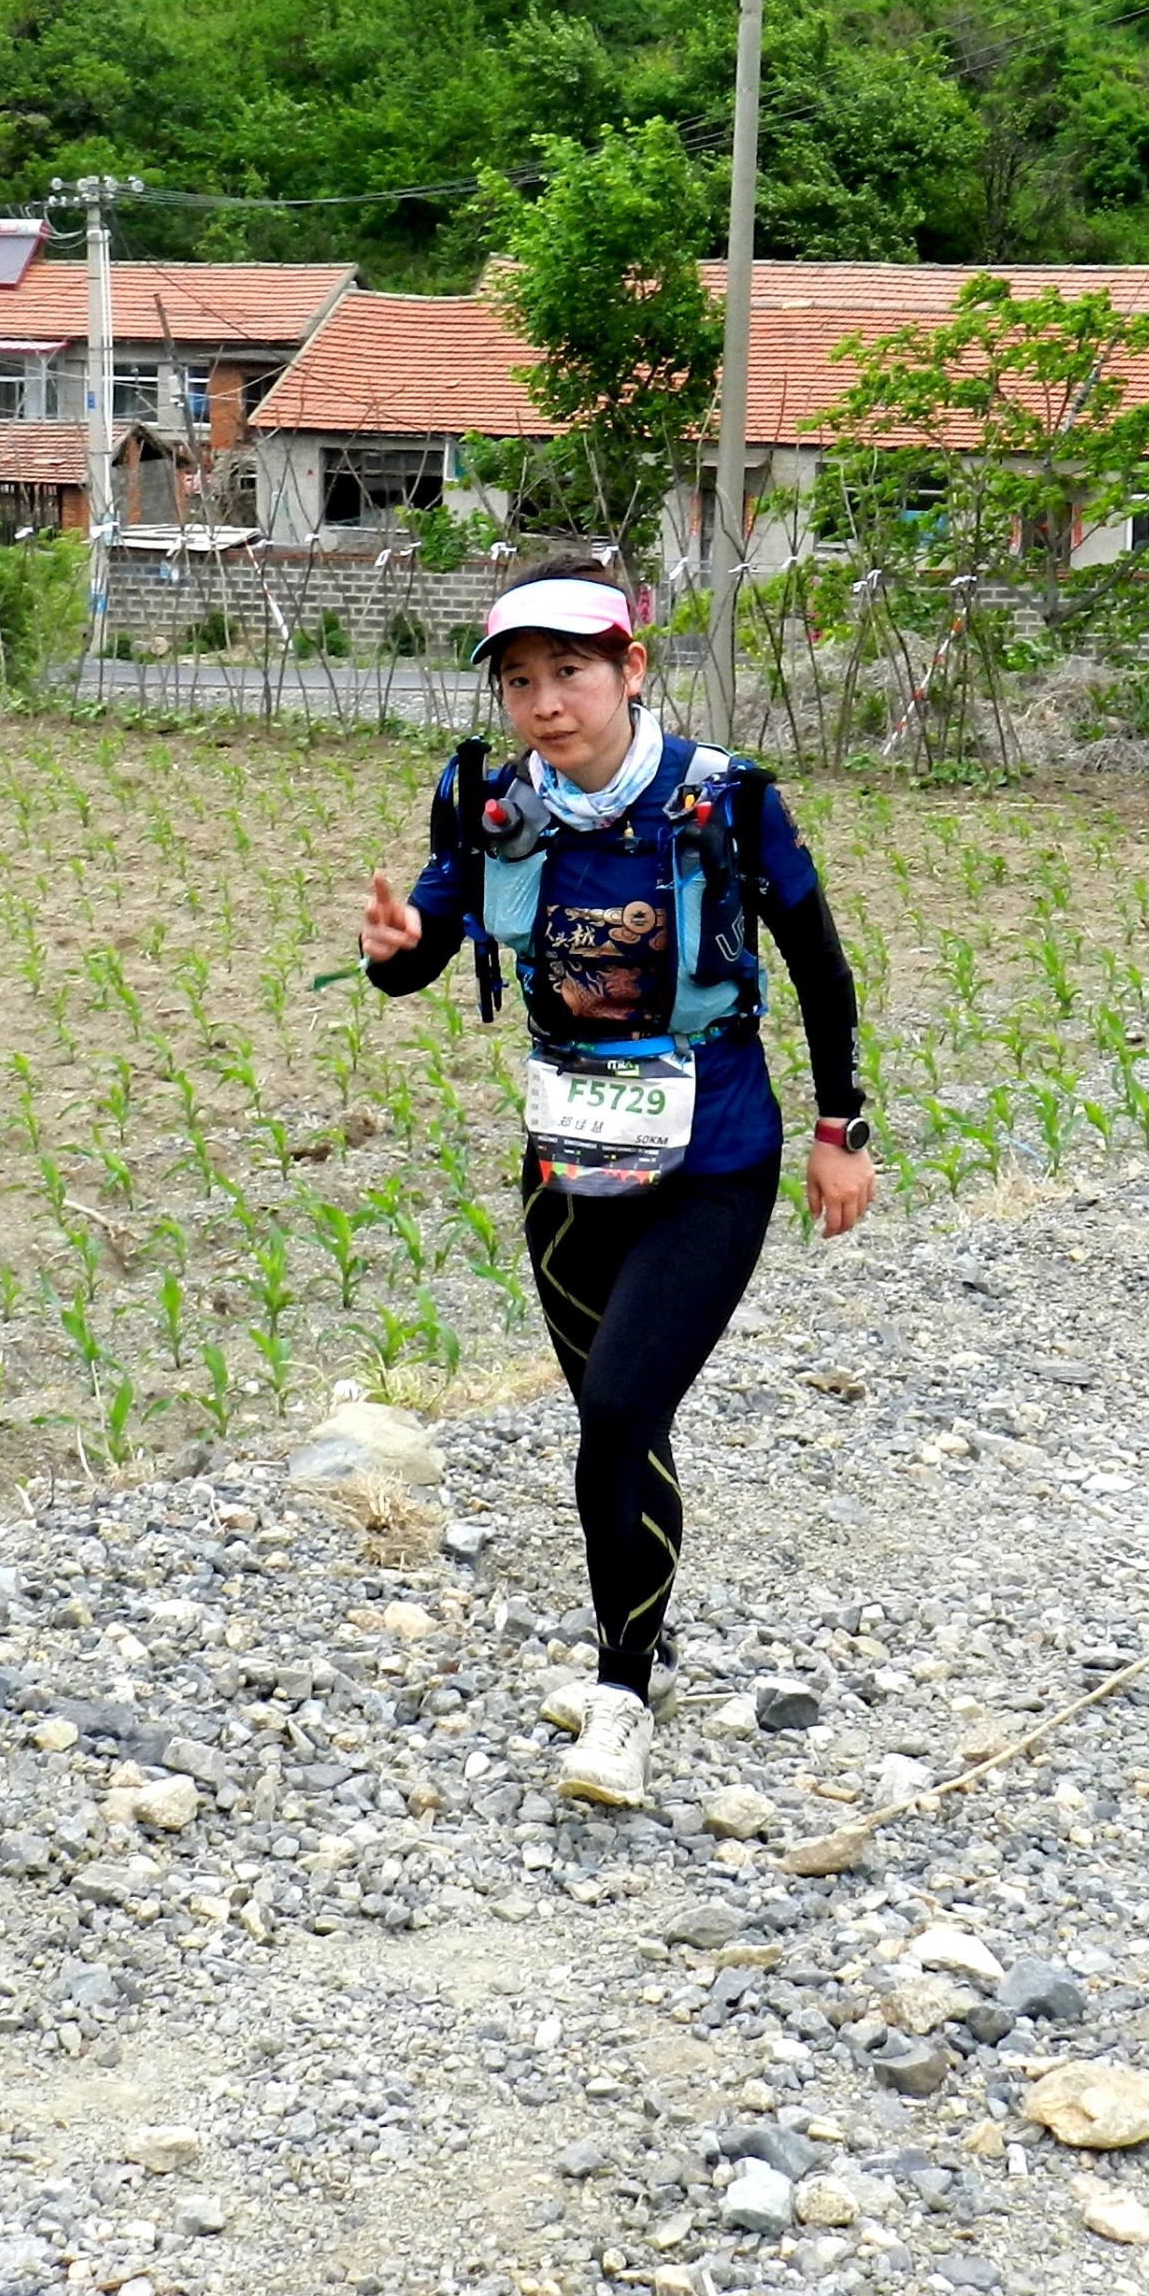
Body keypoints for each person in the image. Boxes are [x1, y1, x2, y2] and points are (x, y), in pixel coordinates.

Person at [356, 553, 873, 1809]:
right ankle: (638, 1635)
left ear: (630, 668)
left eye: (570, 671)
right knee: (618, 1424)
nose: (545, 703)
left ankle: (621, 1695)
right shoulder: (488, 801)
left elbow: (819, 965)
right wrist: (396, 948)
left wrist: (839, 1127)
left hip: (714, 1156)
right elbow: (423, 950)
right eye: (518, 680)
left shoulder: (728, 799)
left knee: (617, 1413)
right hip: (567, 1164)